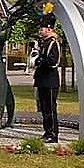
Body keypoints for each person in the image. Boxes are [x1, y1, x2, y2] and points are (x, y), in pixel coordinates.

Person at [33, 14, 61, 143]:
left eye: (42, 29)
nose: (40, 31)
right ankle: (47, 131)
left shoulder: (53, 43)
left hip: (50, 80)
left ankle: (53, 134)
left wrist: (40, 61)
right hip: (42, 80)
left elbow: (53, 61)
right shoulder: (44, 43)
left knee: (50, 108)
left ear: (49, 29)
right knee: (44, 108)